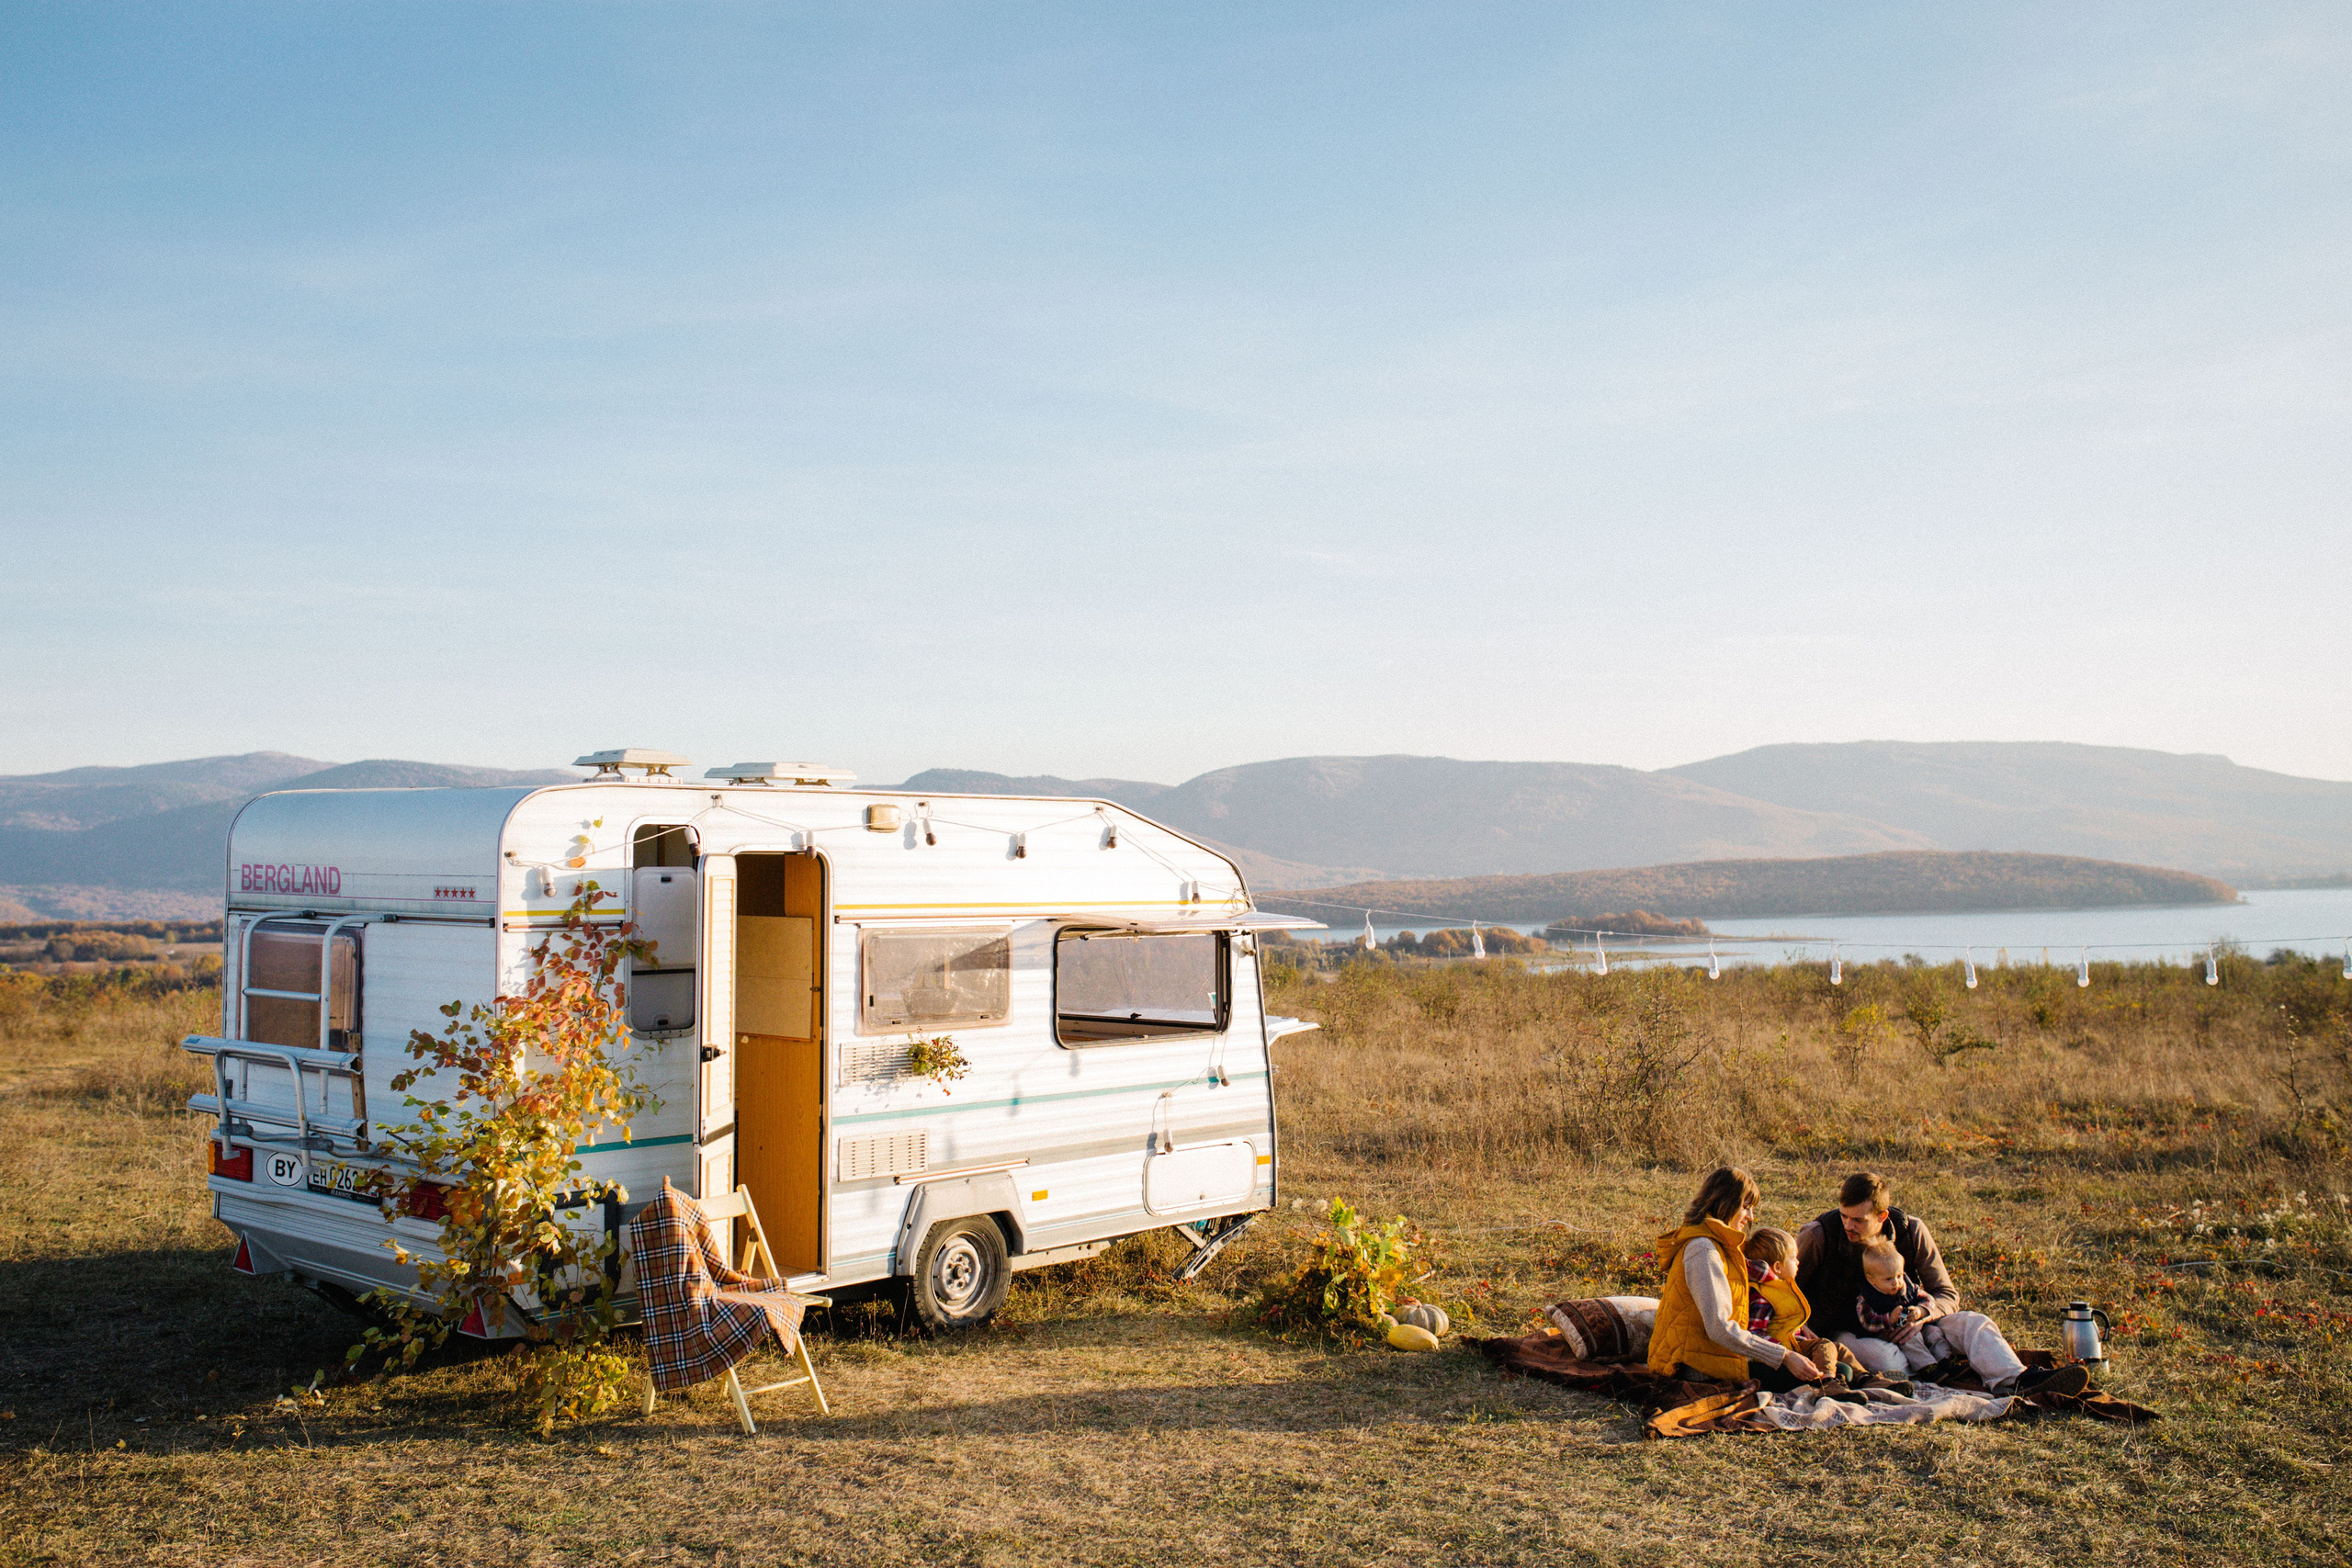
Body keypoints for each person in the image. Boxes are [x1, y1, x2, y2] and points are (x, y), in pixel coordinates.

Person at [1795, 1171, 2088, 1397]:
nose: (1848, 1225)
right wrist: (1802, 1327)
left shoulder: (1912, 1231)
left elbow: (1946, 1294)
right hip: (1850, 1334)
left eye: (1858, 1219)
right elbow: (1785, 1291)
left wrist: (1923, 1315)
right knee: (1888, 1361)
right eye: (1844, 1216)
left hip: (1914, 1328)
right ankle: (1920, 1379)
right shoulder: (1819, 1235)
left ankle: (2018, 1380)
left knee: (1976, 1323)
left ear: (1883, 1217)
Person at [1648, 1167, 1824, 1389]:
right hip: (1694, 1366)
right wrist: (1784, 1357)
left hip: (1719, 1355)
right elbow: (1720, 1328)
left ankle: (1841, 1383)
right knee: (1808, 1379)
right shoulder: (1703, 1250)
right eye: (1746, 1207)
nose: (1750, 1216)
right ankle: (1835, 1387)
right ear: (1726, 1204)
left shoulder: (1724, 1246)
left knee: (1828, 1366)